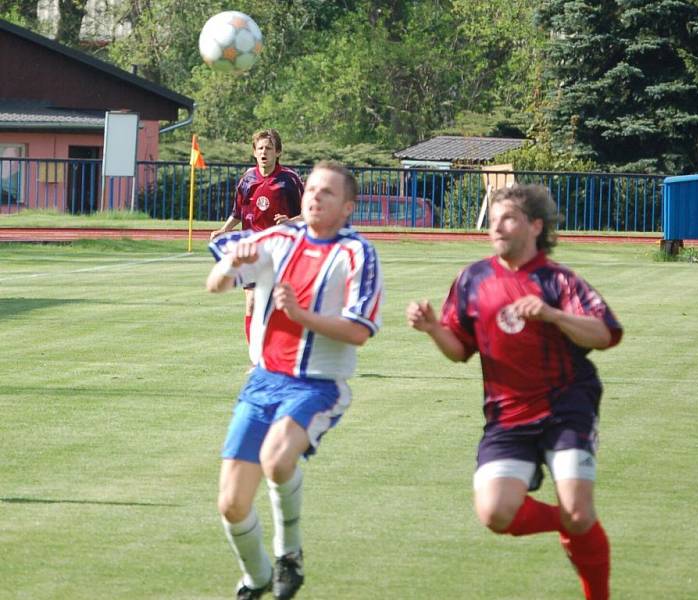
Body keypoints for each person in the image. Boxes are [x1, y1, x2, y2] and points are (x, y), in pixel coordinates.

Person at [406, 184, 622, 600]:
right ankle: (566, 523)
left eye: (508, 218)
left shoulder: (559, 281)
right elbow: (459, 351)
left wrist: (552, 314)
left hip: (566, 407)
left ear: (535, 226)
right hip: (507, 416)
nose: (497, 227)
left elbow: (605, 333)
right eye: (493, 219)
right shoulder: (473, 278)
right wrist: (434, 328)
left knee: (581, 512)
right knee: (495, 513)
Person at [207, 161, 383, 600]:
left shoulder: (357, 253)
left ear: (348, 207)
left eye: (328, 192)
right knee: (230, 503)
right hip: (263, 381)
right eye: (313, 190)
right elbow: (215, 284)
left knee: (277, 458)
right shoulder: (276, 239)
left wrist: (301, 316)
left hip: (318, 384)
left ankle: (290, 555)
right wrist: (231, 265)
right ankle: (258, 576)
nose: (315, 197)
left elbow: (359, 332)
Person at [209, 129, 305, 349]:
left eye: (269, 148)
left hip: (282, 252)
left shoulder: (289, 180)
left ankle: (286, 353)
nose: (264, 152)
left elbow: (309, 214)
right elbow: (237, 212)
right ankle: (257, 359)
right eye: (260, 148)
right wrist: (224, 229)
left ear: (278, 152)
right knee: (251, 303)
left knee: (280, 306)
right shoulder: (247, 179)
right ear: (254, 152)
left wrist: (291, 220)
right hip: (252, 252)